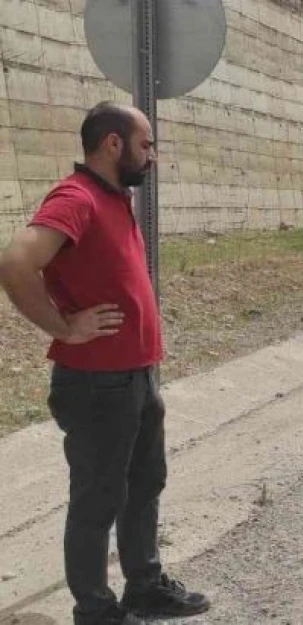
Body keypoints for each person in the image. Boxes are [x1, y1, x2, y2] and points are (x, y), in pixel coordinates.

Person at [0, 102, 209, 625]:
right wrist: (63, 327)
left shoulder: (115, 199)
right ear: (112, 144)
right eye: (146, 145)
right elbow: (15, 261)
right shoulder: (77, 198)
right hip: (96, 386)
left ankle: (143, 587)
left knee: (143, 485)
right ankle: (96, 611)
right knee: (97, 499)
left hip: (136, 377)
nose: (153, 157)